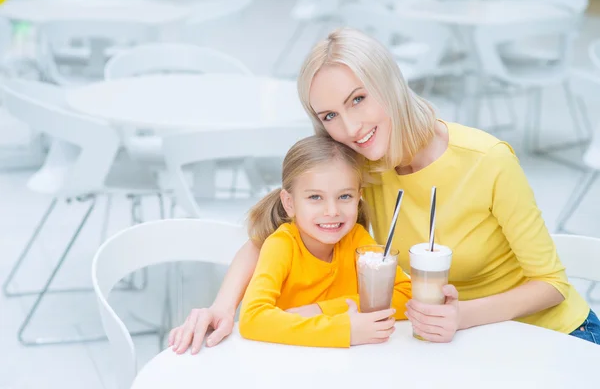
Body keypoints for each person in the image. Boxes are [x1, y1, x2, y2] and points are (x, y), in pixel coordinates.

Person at [169, 28, 599, 353]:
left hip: (557, 338)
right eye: (330, 115)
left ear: (389, 82)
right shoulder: (364, 167)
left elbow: (553, 284)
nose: (350, 127)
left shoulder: (487, 160)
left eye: (358, 99)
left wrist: (461, 315)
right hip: (462, 345)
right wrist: (223, 308)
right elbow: (274, 237)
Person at [238, 135, 410, 347]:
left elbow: (407, 294)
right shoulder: (281, 245)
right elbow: (252, 319)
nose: (332, 211)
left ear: (358, 198)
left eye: (345, 196)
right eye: (315, 197)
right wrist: (345, 330)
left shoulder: (356, 239)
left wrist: (321, 310)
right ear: (289, 203)